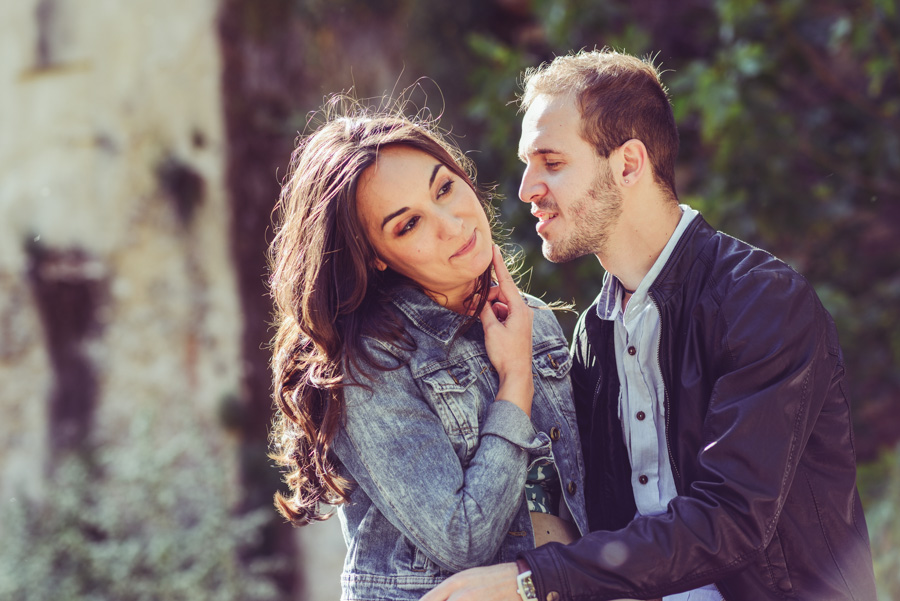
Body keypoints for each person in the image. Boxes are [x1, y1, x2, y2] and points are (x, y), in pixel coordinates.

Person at [422, 49, 877, 601]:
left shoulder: (761, 301)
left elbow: (732, 519)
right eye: (526, 163)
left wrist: (530, 580)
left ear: (629, 164)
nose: (526, 189)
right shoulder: (593, 334)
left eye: (552, 162)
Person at [266, 97, 593, 601]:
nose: (452, 222)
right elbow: (463, 538)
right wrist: (515, 383)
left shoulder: (531, 319)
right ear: (375, 257)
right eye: (408, 224)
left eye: (444, 187)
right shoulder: (369, 366)